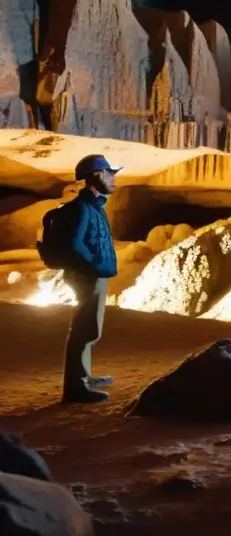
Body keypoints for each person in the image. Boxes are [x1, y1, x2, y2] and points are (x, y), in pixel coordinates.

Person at [60, 155, 120, 404]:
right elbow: (74, 244)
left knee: (89, 329)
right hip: (88, 276)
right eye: (109, 173)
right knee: (84, 330)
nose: (114, 178)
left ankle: (83, 377)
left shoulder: (94, 206)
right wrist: (92, 266)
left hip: (94, 275)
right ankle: (75, 387)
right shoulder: (82, 208)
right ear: (97, 177)